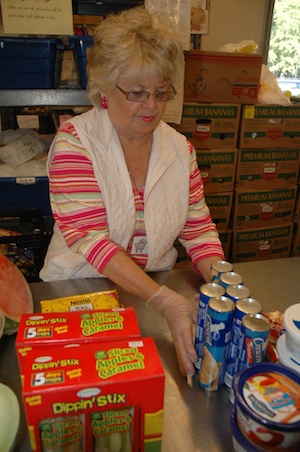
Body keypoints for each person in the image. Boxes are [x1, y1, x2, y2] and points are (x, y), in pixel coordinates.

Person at [40, 6, 225, 377]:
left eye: (162, 91)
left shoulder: (180, 149)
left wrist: (223, 285)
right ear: (105, 89)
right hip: (80, 291)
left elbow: (199, 231)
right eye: (138, 93)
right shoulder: (75, 144)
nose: (153, 105)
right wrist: (165, 303)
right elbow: (92, 240)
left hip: (155, 286)